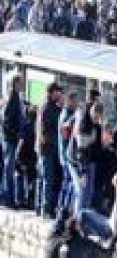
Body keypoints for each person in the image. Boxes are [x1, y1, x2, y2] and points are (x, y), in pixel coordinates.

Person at [35, 82, 63, 218]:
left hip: (47, 148)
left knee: (44, 179)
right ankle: (45, 209)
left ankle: (39, 208)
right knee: (47, 179)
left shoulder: (51, 107)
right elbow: (46, 131)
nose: (60, 94)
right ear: (52, 93)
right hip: (47, 149)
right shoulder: (47, 108)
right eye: (58, 92)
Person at [2, 74, 25, 207]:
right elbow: (6, 121)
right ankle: (7, 200)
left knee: (11, 169)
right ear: (15, 84)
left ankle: (9, 199)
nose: (22, 85)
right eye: (21, 83)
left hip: (12, 139)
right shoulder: (12, 98)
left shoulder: (16, 98)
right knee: (9, 170)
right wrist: (16, 134)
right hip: (10, 140)